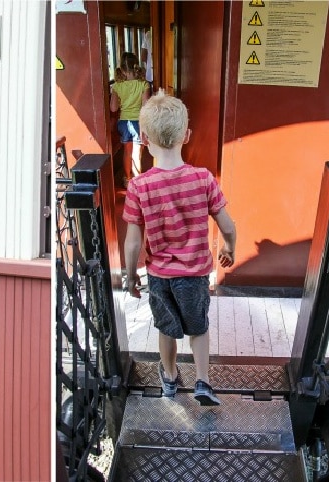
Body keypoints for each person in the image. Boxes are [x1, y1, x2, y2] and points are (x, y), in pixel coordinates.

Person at [123, 90, 236, 406]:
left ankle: (170, 380)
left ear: (143, 138)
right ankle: (202, 382)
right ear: (187, 135)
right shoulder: (202, 179)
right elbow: (228, 225)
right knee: (198, 328)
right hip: (195, 273)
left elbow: (133, 242)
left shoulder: (139, 186)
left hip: (160, 276)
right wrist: (230, 247)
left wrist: (131, 277)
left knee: (167, 329)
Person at [110, 52, 151, 188]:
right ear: (136, 66)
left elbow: (114, 108)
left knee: (127, 151)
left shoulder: (117, 86)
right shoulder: (144, 84)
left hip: (123, 122)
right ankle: (138, 182)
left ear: (122, 69)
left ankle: (127, 179)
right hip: (138, 122)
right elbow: (145, 106)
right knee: (137, 154)